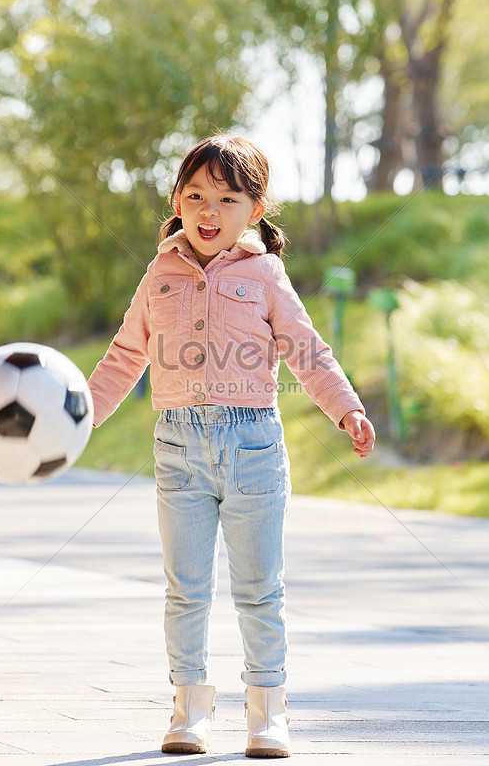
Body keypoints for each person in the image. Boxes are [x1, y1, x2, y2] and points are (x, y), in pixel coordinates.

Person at [87, 133, 375, 758]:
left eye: (226, 197)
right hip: (177, 449)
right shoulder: (160, 273)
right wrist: (81, 414)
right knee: (186, 588)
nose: (208, 212)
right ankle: (189, 709)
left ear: (256, 210)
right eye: (194, 196)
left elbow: (308, 351)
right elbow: (126, 354)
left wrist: (345, 407)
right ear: (177, 202)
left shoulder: (266, 275)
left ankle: (267, 713)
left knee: (258, 589)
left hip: (253, 449)